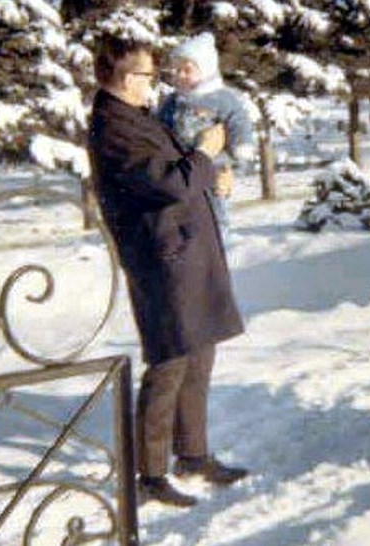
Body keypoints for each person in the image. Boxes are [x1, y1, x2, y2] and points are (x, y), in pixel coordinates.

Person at [88, 35, 248, 508]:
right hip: (162, 259)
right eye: (145, 75)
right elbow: (169, 181)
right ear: (120, 77)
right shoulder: (113, 127)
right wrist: (204, 151)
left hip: (184, 251)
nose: (152, 83)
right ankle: (151, 473)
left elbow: (179, 174)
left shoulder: (136, 116)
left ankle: (193, 454)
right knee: (170, 360)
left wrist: (211, 173)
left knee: (198, 354)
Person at [157, 32, 254, 248]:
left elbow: (238, 121)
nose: (180, 75)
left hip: (214, 167)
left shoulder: (222, 98)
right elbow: (159, 125)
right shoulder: (172, 101)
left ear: (205, 69)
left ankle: (220, 243)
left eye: (187, 69)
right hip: (182, 168)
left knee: (215, 208)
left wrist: (241, 149)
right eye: (176, 70)